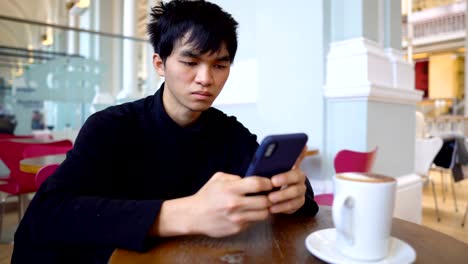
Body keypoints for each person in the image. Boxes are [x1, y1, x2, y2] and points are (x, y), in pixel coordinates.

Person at [12, 0, 318, 263]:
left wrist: (296, 193)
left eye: (219, 66)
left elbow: (283, 191)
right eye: (190, 61)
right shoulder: (111, 126)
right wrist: (183, 213)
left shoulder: (229, 132)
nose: (205, 78)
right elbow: (50, 212)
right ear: (160, 63)